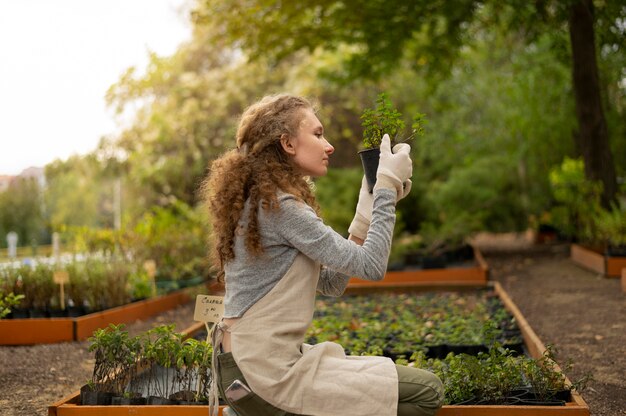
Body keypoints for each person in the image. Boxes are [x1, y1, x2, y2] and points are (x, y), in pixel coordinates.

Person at [202, 93, 443, 416]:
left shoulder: (266, 203)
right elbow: (373, 267)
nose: (328, 145)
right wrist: (384, 186)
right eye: (317, 134)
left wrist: (364, 215)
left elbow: (331, 283)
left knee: (394, 394)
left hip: (251, 366)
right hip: (264, 374)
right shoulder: (280, 208)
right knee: (428, 391)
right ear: (287, 143)